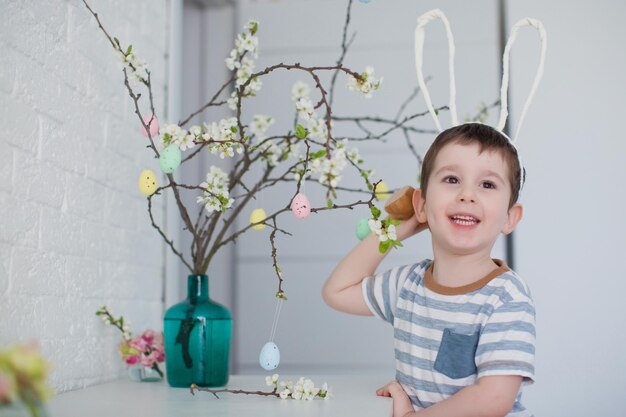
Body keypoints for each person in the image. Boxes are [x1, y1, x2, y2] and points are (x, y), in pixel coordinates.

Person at [322, 123, 535, 417]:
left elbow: (493, 398)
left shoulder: (507, 297)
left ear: (510, 218)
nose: (467, 194)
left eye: (487, 185)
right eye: (451, 179)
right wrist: (393, 231)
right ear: (421, 205)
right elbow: (337, 292)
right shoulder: (408, 285)